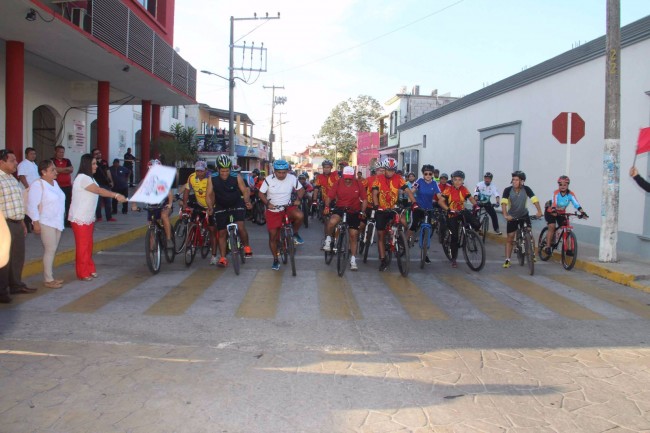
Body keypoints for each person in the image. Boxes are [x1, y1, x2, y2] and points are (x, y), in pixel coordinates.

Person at [69, 153, 127, 281]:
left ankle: (89, 268)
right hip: (80, 218)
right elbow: (99, 191)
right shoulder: (83, 178)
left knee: (88, 245)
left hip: (87, 217)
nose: (96, 166)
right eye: (93, 164)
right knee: (83, 246)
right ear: (87, 165)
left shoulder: (91, 178)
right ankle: (82, 272)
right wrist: (116, 196)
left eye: (96, 163)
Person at [0, 149, 37, 303]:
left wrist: (22, 222)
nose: (16, 163)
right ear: (1, 162)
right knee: (4, 259)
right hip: (4, 224)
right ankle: (2, 292)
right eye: (12, 160)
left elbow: (17, 202)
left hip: (16, 222)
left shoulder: (11, 178)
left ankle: (16, 284)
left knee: (17, 256)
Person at [206, 156, 253, 267]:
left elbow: (245, 191)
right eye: (222, 171)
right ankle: (223, 258)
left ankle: (246, 246)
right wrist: (210, 207)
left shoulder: (236, 176)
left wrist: (247, 201)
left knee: (240, 226)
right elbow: (208, 194)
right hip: (221, 205)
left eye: (227, 170)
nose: (225, 173)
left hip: (236, 203)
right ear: (218, 169)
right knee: (221, 233)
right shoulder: (212, 178)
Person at [259, 159, 305, 271]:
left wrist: (298, 199)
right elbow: (261, 193)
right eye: (279, 172)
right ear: (274, 171)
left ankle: (294, 233)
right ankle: (275, 259)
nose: (281, 175)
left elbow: (301, 189)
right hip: (273, 210)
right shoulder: (268, 180)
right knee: (273, 237)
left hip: (287, 207)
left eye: (284, 172)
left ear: (287, 171)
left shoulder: (292, 178)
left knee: (300, 215)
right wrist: (268, 204)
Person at [27, 160, 66, 289]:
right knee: (50, 250)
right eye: (52, 170)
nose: (56, 172)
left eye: (55, 169)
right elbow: (32, 205)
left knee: (52, 249)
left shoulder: (54, 183)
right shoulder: (38, 185)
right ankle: (48, 279)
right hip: (45, 221)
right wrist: (36, 223)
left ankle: (50, 276)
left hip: (57, 221)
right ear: (43, 172)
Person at [371, 157, 415, 271]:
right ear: (384, 169)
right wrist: (376, 206)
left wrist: (414, 203)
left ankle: (402, 240)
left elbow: (408, 191)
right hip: (381, 209)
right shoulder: (378, 179)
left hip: (393, 208)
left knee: (403, 222)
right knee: (380, 235)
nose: (390, 172)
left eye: (393, 170)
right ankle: (382, 259)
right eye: (388, 170)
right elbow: (375, 193)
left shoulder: (399, 178)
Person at [322, 166, 367, 270]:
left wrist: (363, 211)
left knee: (353, 235)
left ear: (353, 177)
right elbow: (330, 196)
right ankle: (328, 240)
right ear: (343, 176)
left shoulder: (358, 184)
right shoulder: (338, 183)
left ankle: (353, 260)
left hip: (354, 210)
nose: (347, 180)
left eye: (349, 178)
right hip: (340, 208)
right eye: (345, 178)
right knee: (332, 222)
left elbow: (364, 199)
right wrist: (327, 207)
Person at [500, 170, 543, 268]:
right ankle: (507, 260)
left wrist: (539, 211)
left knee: (529, 232)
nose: (514, 181)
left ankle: (532, 254)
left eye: (516, 180)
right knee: (510, 237)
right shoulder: (508, 190)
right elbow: (504, 203)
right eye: (513, 179)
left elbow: (534, 200)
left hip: (524, 215)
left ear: (522, 181)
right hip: (512, 216)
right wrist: (506, 215)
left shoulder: (526, 189)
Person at [131, 159, 175, 253]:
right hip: (152, 206)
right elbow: (136, 192)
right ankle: (152, 252)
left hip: (164, 204)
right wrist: (134, 205)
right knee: (151, 225)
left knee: (164, 216)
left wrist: (170, 204)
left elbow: (170, 194)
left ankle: (168, 239)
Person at [438, 170, 479, 268]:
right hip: (452, 214)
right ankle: (453, 259)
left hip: (461, 211)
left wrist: (475, 205)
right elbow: (440, 201)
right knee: (455, 238)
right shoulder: (448, 189)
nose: (457, 182)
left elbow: (471, 198)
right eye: (455, 179)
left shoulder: (464, 189)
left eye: (459, 180)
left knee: (476, 223)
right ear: (452, 180)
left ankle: (470, 234)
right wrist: (448, 209)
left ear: (462, 181)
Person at [543, 175, 589, 255]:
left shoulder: (571, 194)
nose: (562, 186)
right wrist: (554, 209)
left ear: (568, 185)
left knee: (566, 228)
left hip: (561, 213)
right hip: (550, 211)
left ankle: (568, 249)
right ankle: (547, 246)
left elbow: (576, 204)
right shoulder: (556, 193)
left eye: (565, 184)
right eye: (560, 184)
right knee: (552, 226)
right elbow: (554, 202)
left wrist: (582, 212)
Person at [183, 160, 217, 262]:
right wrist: (185, 205)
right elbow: (186, 191)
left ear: (206, 170)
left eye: (202, 171)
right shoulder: (192, 177)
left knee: (212, 230)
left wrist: (211, 208)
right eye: (197, 171)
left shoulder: (211, 178)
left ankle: (214, 255)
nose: (199, 173)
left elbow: (214, 194)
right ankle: (190, 246)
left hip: (212, 205)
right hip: (200, 204)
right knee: (192, 224)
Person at [409, 164, 442, 264]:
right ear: (423, 174)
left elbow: (439, 195)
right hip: (419, 207)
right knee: (414, 224)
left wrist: (443, 202)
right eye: (425, 173)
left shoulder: (434, 183)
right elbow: (411, 191)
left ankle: (425, 253)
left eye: (430, 174)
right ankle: (406, 241)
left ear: (432, 174)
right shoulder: (419, 181)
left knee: (429, 230)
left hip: (429, 209)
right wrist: (413, 201)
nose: (428, 175)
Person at [314, 160, 340, 236]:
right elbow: (316, 189)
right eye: (324, 167)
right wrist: (315, 200)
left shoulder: (335, 176)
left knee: (336, 221)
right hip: (324, 201)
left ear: (331, 168)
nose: (326, 169)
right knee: (326, 222)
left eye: (328, 167)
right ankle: (327, 238)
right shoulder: (320, 177)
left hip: (336, 201)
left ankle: (336, 239)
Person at [17, 147, 39, 232]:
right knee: (26, 208)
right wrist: (27, 188)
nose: (33, 156)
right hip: (26, 190)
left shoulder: (34, 164)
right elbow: (22, 176)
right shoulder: (23, 164)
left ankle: (32, 225)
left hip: (33, 190)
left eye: (34, 154)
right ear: (26, 155)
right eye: (31, 154)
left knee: (32, 207)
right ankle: (26, 227)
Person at [52, 145, 73, 227]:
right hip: (57, 186)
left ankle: (67, 221)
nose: (61, 154)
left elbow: (71, 169)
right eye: (59, 152)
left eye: (62, 152)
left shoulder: (67, 160)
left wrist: (59, 169)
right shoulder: (51, 161)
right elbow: (54, 170)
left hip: (67, 186)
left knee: (68, 204)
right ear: (55, 152)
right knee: (58, 204)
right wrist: (65, 169)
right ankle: (57, 221)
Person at [91, 148, 114, 221]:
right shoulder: (92, 162)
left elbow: (108, 172)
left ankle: (109, 217)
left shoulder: (104, 162)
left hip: (106, 184)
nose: (98, 154)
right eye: (96, 153)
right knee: (98, 202)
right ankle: (99, 217)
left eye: (99, 153)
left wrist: (111, 181)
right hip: (97, 184)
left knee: (108, 202)